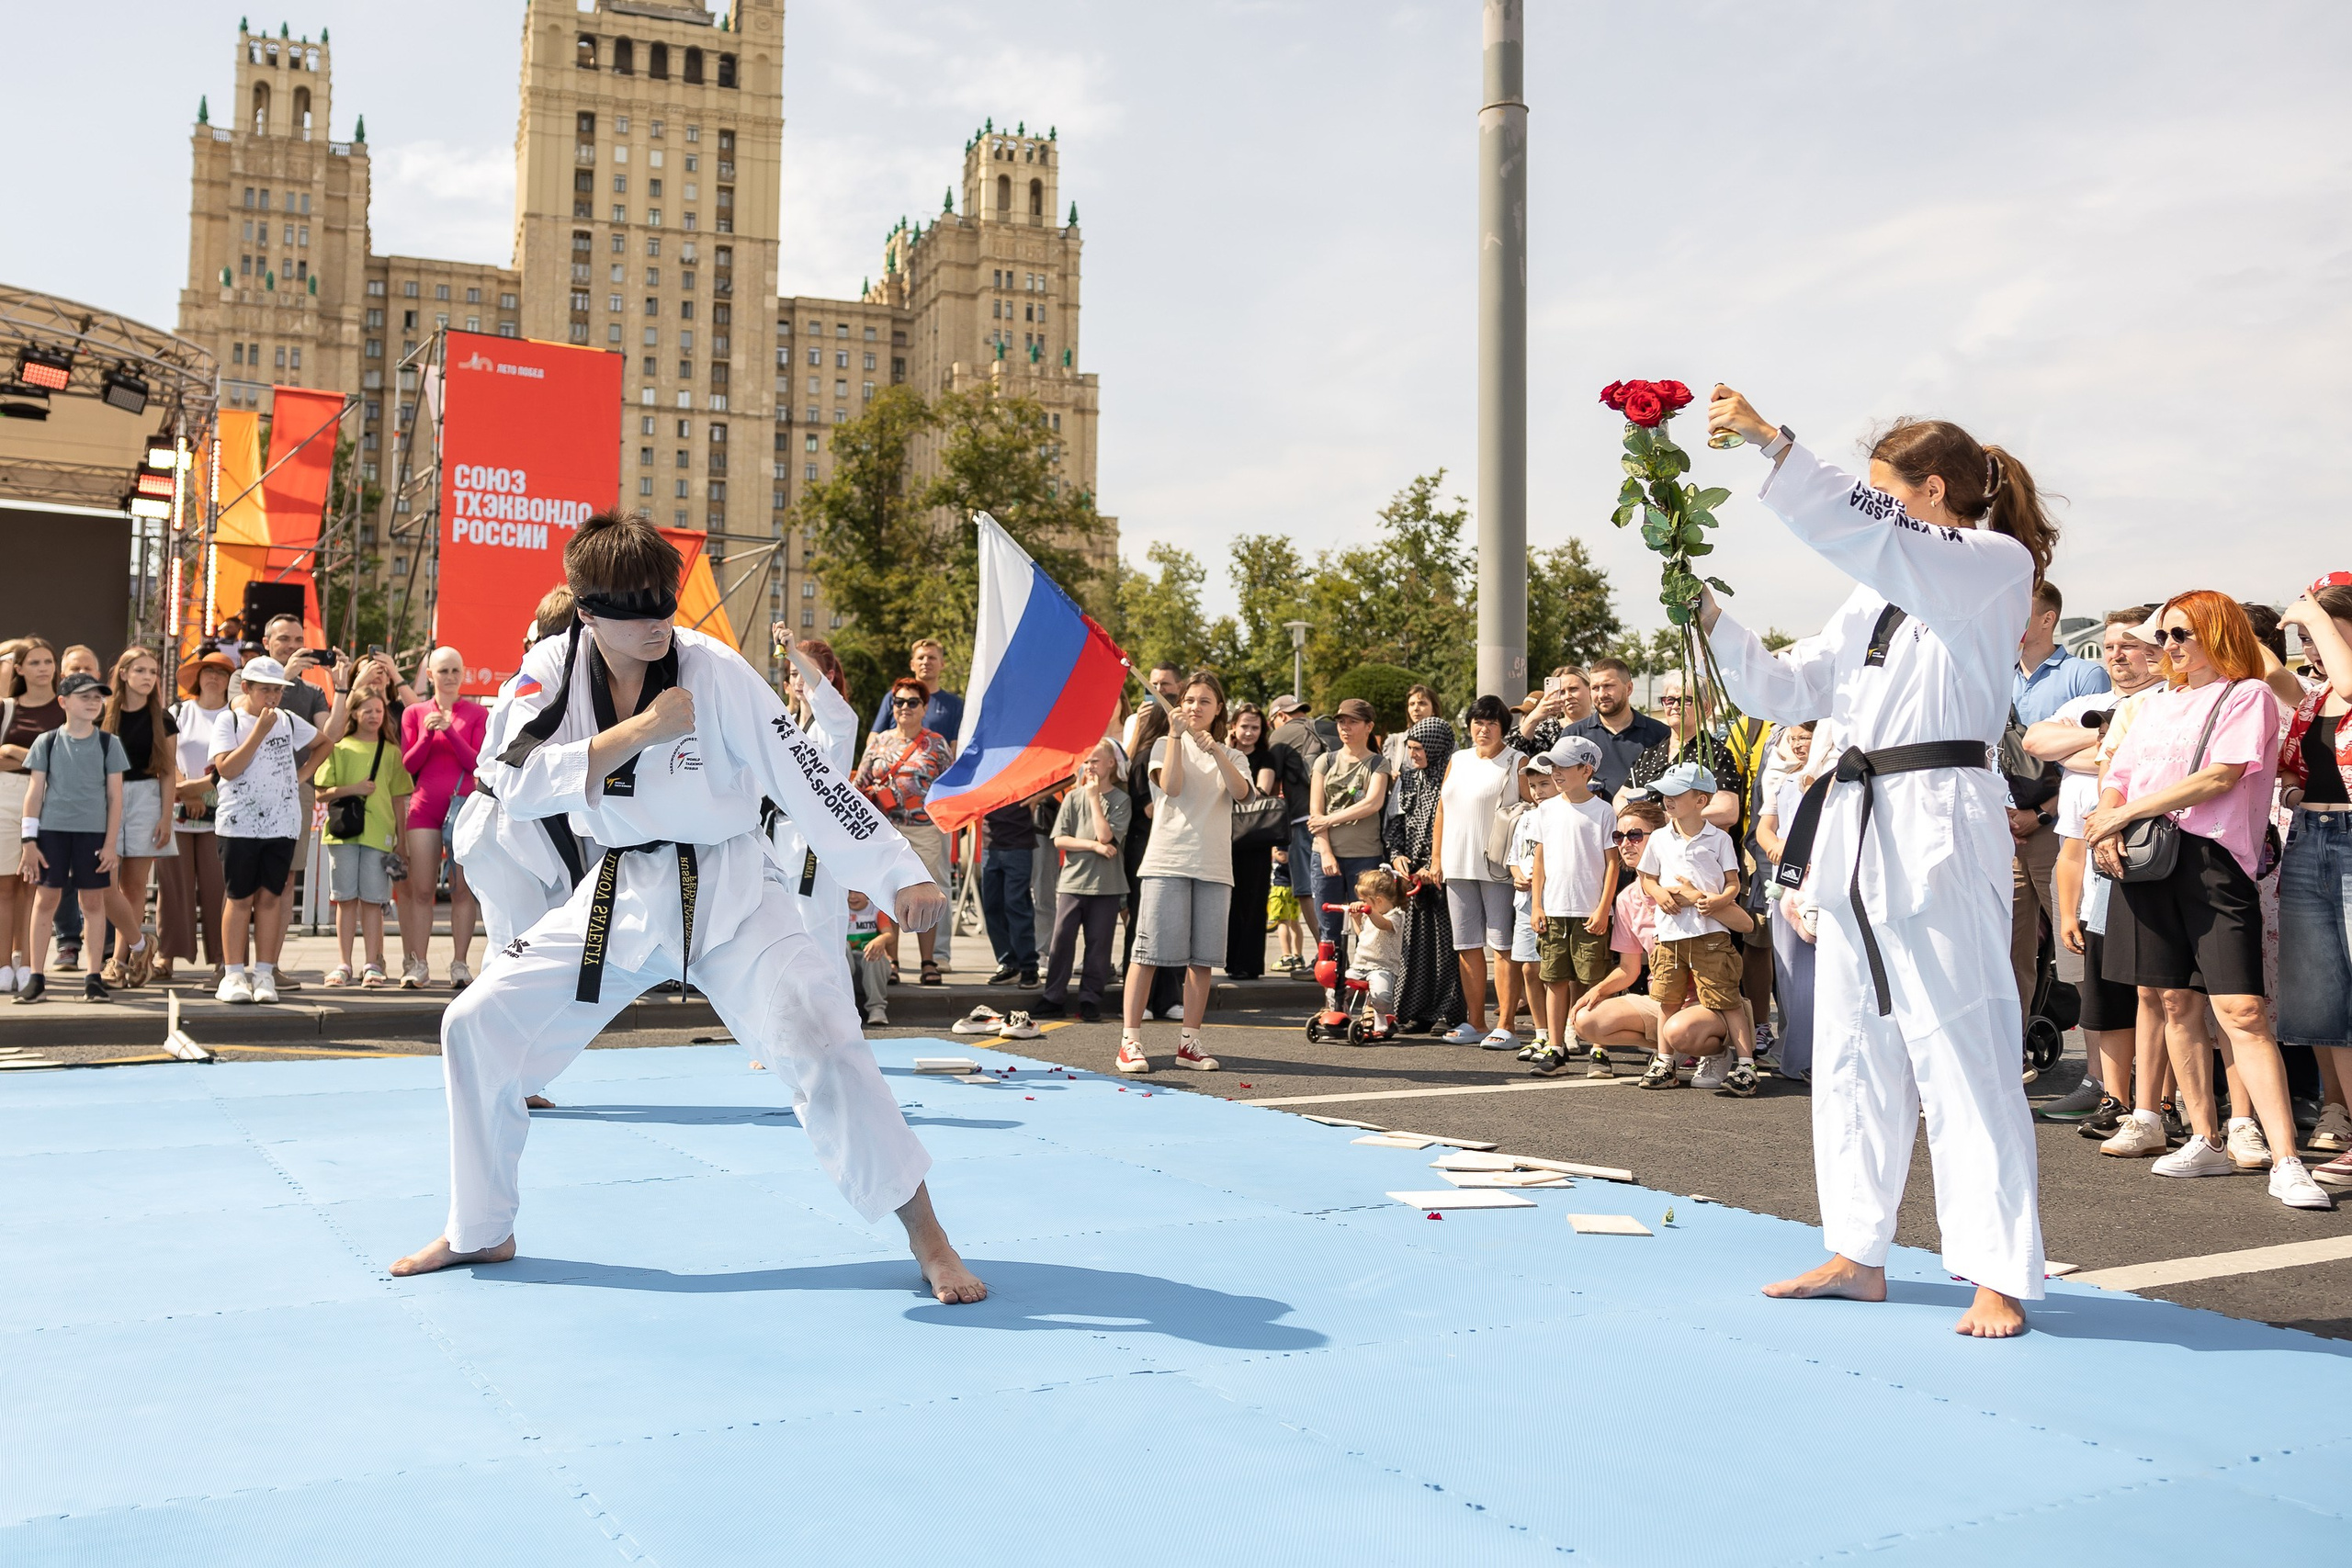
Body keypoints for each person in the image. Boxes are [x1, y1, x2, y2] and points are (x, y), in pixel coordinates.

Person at [389, 511, 982, 1304]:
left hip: (735, 893)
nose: (660, 623)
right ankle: (482, 1226)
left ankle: (929, 1236)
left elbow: (806, 775)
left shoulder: (716, 669)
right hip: (620, 894)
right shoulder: (549, 668)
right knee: (473, 1024)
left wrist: (894, 871)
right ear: (588, 610)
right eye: (637, 609)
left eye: (667, 602)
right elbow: (513, 777)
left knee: (825, 1036)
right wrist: (638, 730)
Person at [1703, 385, 2051, 1337]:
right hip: (1855, 821)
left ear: (1928, 491)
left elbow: (1869, 534)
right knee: (1854, 1047)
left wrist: (1776, 445)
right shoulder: (1873, 600)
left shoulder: (1990, 564)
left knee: (1961, 1043)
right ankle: (1859, 1251)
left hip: (1938, 810)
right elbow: (1788, 685)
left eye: (1881, 491)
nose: (1873, 508)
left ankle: (1998, 1271)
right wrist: (1703, 613)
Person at [2083, 591, 2328, 1210]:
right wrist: (2109, 817)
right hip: (2150, 862)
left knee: (2241, 1010)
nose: (2166, 646)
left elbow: (2222, 774)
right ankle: (2205, 1137)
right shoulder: (2157, 704)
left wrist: (2128, 811)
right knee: (2171, 1001)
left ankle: (2287, 1157)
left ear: (2215, 632)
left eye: (2179, 633)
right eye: (2162, 635)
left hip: (2214, 862)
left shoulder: (2245, 694)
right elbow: (2117, 775)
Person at [2025, 610, 2168, 1131]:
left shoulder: (2167, 702)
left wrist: (2093, 746)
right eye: (2109, 645)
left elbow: (2134, 760)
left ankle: (2159, 1102)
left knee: (2156, 991)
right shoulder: (2087, 702)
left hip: (2144, 863)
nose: (2116, 654)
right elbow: (2037, 743)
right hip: (2082, 866)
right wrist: (2108, 741)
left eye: (2129, 644)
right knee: (2096, 989)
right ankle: (2103, 1089)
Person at [1117, 671, 1252, 1074]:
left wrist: (1217, 752)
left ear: (1218, 709)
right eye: (1189, 700)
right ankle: (1130, 1040)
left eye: (1204, 701)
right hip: (1166, 861)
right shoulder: (1161, 744)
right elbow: (1172, 787)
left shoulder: (1235, 754)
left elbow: (1242, 792)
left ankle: (1189, 1042)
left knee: (1202, 959)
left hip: (1213, 866)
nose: (1195, 707)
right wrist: (1177, 738)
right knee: (1148, 954)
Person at [1566, 797, 1751, 1070]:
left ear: (1661, 838)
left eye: (1635, 835)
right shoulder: (1628, 897)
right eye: (1619, 836)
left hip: (1711, 1002)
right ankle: (1672, 1053)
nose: (1625, 844)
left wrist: (1697, 898)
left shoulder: (1689, 876)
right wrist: (1596, 991)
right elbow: (1629, 970)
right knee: (1587, 1020)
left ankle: (1715, 1053)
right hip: (1664, 1002)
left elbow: (1746, 925)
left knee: (1679, 1029)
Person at [2278, 575, 2352, 1190]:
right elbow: (2291, 772)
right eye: (2304, 635)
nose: (2311, 645)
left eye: (2319, 631)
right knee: (2324, 996)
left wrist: (2315, 611)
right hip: (2312, 839)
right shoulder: (2315, 696)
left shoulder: (2345, 685)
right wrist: (2298, 790)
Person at [1633, 761, 1759, 1095]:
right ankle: (1664, 1061)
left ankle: (1746, 1064)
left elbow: (1733, 884)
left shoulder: (1718, 839)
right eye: (1665, 794)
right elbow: (1646, 878)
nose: (1667, 801)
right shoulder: (1659, 838)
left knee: (1725, 998)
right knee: (1667, 1000)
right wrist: (1660, 894)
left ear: (1701, 801)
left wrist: (1719, 901)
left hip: (1711, 934)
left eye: (1676, 794)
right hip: (1671, 934)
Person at [208, 657, 318, 1004]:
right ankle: (233, 973)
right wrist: (258, 732)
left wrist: (298, 777)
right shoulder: (229, 719)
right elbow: (226, 768)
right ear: (247, 688)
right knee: (239, 898)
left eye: (277, 690)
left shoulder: (287, 719)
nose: (272, 697)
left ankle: (265, 973)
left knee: (271, 897)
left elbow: (326, 741)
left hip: (282, 823)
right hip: (239, 823)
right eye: (265, 690)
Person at [13, 672, 129, 1004]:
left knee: (93, 903)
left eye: (97, 697)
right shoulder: (46, 741)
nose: (93, 702)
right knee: (45, 900)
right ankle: (36, 977)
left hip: (93, 834)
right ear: (63, 702)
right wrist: (29, 841)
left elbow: (115, 797)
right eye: (84, 696)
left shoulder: (110, 743)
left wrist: (110, 844)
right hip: (51, 833)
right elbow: (34, 793)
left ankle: (93, 976)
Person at [1432, 694, 1524, 1046]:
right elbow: (1443, 809)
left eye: (1491, 723)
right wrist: (1436, 858)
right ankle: (1476, 1022)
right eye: (1477, 722)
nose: (1483, 729)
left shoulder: (1516, 761)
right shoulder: (1458, 758)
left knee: (1502, 945)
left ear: (1503, 727)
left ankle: (1507, 1025)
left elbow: (1527, 810)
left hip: (1498, 866)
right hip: (1457, 864)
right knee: (1467, 945)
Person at [1525, 736, 1619, 1075]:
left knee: (1594, 979)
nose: (1556, 772)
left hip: (1589, 911)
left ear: (1586, 768)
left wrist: (1603, 907)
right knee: (1554, 979)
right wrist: (1537, 905)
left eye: (1564, 766)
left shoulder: (1604, 811)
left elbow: (1613, 863)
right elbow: (1540, 861)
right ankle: (1555, 1047)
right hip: (1553, 910)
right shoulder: (1546, 810)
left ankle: (1599, 1048)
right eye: (1554, 766)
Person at [397, 647, 486, 989]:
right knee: (421, 890)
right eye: (443, 671)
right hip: (424, 807)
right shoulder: (415, 712)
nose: (450, 677)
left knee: (462, 890)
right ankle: (418, 963)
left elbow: (477, 763)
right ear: (430, 676)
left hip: (463, 809)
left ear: (463, 674)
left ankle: (460, 964)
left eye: (455, 671)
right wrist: (426, 734)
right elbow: (410, 766)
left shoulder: (477, 714)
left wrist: (449, 730)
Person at [855, 676, 954, 985]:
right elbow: (858, 786)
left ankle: (928, 961)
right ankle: (893, 961)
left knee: (926, 891)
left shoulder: (936, 744)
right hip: (885, 831)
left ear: (924, 708)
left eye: (913, 702)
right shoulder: (879, 742)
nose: (905, 707)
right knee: (890, 893)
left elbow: (950, 788)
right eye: (899, 702)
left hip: (924, 829)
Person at [314, 692, 413, 987]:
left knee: (374, 901)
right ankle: (344, 963)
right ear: (354, 713)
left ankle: (373, 963)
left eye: (379, 711)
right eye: (367, 710)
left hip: (379, 834)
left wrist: (402, 840)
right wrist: (354, 788)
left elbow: (399, 799)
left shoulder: (392, 752)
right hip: (343, 833)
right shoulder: (339, 747)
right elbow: (321, 791)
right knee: (345, 900)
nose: (374, 715)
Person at [97, 648, 180, 988]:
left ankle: (119, 962)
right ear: (123, 673)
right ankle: (141, 946)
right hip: (105, 798)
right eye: (141, 670)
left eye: (153, 672)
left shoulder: (163, 719)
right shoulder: (102, 712)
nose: (148, 677)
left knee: (133, 886)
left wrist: (165, 816)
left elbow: (168, 773)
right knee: (101, 883)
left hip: (147, 797)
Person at [1035, 738, 1130, 1022]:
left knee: (1098, 946)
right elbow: (1059, 839)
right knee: (1061, 941)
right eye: (1086, 761)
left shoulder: (1120, 800)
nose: (1089, 767)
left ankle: (1090, 999)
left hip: (1106, 885)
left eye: (1095, 761)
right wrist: (1094, 848)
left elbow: (1106, 835)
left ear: (1110, 764)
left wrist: (1092, 798)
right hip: (1072, 883)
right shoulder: (1073, 798)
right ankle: (1053, 996)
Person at [156, 649, 235, 985]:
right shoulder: (178, 712)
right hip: (174, 811)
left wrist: (200, 794)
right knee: (172, 889)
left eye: (221, 672)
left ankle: (223, 959)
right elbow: (163, 755)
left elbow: (232, 762)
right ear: (197, 677)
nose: (214, 677)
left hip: (222, 813)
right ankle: (165, 956)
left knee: (219, 888)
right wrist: (185, 791)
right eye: (207, 671)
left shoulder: (236, 716)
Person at [1384, 716, 1465, 1033]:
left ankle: (1449, 1012)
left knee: (1446, 946)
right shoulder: (1408, 778)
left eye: (1418, 748)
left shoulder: (1454, 778)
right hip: (1415, 875)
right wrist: (1397, 855)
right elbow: (1395, 823)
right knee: (1415, 944)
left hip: (1443, 874)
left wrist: (1439, 863)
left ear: (1435, 747)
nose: (1413, 754)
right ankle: (1416, 1011)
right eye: (1410, 748)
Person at [1754, 719, 1824, 1082]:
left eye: (1806, 738)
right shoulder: (1782, 780)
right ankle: (1795, 1056)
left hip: (1821, 884)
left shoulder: (1832, 781)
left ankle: (1815, 1057)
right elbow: (1765, 828)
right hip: (1786, 883)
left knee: (1816, 974)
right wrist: (1776, 846)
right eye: (1793, 738)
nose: (1798, 745)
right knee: (1789, 970)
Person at [1308, 698, 1393, 948]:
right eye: (1341, 722)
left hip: (1365, 856)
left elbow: (1372, 803)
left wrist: (1329, 819)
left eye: (1353, 722)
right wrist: (1326, 853)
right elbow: (1315, 812)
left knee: (1366, 930)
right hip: (1325, 855)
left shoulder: (1378, 763)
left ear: (1368, 726)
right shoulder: (1325, 761)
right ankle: (1332, 984)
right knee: (1328, 931)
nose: (1345, 727)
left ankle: (1364, 983)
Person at [1264, 693, 1325, 975]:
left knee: (1306, 891)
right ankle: (1352, 959)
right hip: (1339, 819)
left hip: (1303, 821)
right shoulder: (1324, 728)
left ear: (1278, 717)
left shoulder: (1280, 735)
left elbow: (1268, 786)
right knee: (1338, 890)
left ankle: (1326, 956)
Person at [1223, 701, 1280, 980]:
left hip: (1254, 839)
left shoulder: (1265, 758)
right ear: (1233, 727)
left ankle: (1249, 964)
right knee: (1228, 902)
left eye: (1255, 727)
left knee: (1253, 901)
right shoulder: (1224, 754)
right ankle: (1230, 961)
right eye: (1244, 726)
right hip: (1224, 837)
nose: (1249, 732)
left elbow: (1259, 793)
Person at [1502, 757, 1553, 1057]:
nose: (1537, 791)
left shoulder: (1562, 815)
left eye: (1544, 783)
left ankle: (1565, 1030)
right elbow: (1513, 857)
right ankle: (1540, 1032)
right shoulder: (1526, 818)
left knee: (1559, 973)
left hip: (1554, 903)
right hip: (1525, 905)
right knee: (1529, 968)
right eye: (1533, 785)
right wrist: (1518, 876)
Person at [1564, 658, 1669, 801]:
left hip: (1641, 821)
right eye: (1595, 688)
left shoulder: (1660, 735)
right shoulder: (1573, 735)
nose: (1601, 694)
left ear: (1629, 688)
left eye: (1608, 686)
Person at [978, 793, 1043, 987]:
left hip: (1018, 842)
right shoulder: (985, 765)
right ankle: (1008, 964)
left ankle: (1028, 966)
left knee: (1016, 904)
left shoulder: (1021, 764)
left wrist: (1038, 797)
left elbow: (1065, 776)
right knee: (992, 907)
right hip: (991, 842)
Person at [867, 637, 966, 750]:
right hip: (894, 766)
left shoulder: (954, 704)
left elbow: (956, 748)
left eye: (931, 658)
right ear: (912, 665)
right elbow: (874, 738)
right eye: (920, 658)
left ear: (942, 664)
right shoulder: (894, 697)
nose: (925, 662)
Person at [1342, 866, 1408, 1040]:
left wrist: (1369, 912)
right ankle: (1340, 1014)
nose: (1363, 904)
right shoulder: (1369, 914)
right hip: (1360, 965)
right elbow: (1362, 934)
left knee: (1382, 996)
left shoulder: (1396, 916)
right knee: (1337, 987)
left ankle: (1381, 1015)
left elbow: (1383, 925)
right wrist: (1357, 919)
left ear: (1378, 901)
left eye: (1365, 901)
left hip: (1381, 967)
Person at [1381, 683, 1441, 822]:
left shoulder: (1448, 744)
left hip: (1435, 814)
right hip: (1401, 816)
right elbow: (1382, 781)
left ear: (1434, 710)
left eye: (1422, 703)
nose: (1416, 708)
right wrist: (1390, 777)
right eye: (1411, 704)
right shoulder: (1395, 742)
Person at [1508, 667, 1595, 760]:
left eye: (1573, 689)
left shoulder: (1605, 725)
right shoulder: (1551, 729)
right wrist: (1533, 718)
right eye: (1561, 692)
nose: (1567, 696)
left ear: (1590, 689)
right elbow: (1515, 752)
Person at [1121, 661, 1185, 756]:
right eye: (1154, 684)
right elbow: (1126, 762)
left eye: (1165, 684)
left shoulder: (1187, 719)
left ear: (1179, 686)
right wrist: (1139, 728)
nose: (1158, 689)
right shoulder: (1134, 720)